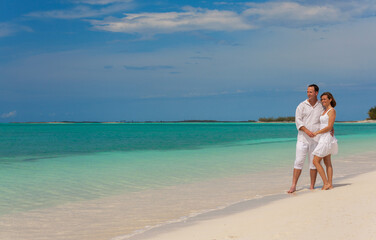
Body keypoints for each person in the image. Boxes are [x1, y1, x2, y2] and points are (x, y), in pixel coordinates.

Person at [287, 84, 324, 193]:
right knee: (298, 161)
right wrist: (307, 131)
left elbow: (325, 119)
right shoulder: (301, 105)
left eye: (311, 92)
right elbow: (298, 121)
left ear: (316, 93)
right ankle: (293, 185)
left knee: (314, 163)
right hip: (303, 139)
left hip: (316, 139)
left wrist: (330, 129)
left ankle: (312, 186)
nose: (308, 94)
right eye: (307, 92)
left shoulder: (321, 105)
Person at [312, 92, 338, 190]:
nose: (323, 101)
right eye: (322, 99)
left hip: (326, 137)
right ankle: (330, 184)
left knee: (315, 161)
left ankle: (326, 183)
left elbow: (329, 126)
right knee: (327, 162)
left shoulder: (332, 111)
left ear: (330, 99)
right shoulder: (325, 110)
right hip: (323, 137)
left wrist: (317, 132)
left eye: (325, 99)